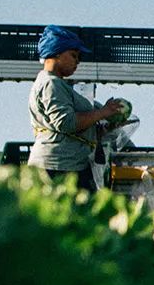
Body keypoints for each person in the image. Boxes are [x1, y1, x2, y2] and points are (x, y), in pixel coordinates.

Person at [26, 25, 129, 192]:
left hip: (67, 165)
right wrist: (103, 112)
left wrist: (102, 129)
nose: (78, 62)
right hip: (58, 168)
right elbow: (66, 123)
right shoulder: (51, 83)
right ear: (56, 53)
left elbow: (72, 128)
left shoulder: (55, 84)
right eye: (74, 55)